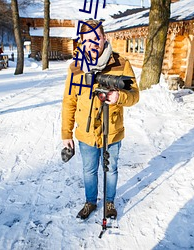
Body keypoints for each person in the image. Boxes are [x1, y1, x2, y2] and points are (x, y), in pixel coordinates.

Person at [61, 20, 139, 220]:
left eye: (97, 39)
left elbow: (135, 95)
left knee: (111, 168)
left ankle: (110, 202)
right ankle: (90, 202)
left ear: (104, 38)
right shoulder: (76, 68)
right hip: (86, 133)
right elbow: (69, 102)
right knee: (89, 170)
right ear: (81, 42)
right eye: (87, 40)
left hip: (112, 130)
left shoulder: (121, 64)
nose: (93, 44)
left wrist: (119, 97)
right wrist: (66, 134)